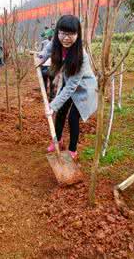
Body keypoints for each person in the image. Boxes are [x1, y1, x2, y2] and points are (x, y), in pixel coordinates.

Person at [40, 15, 97, 159]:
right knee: (61, 113)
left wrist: (53, 105)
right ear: (57, 32)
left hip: (84, 88)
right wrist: (41, 57)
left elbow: (71, 87)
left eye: (71, 34)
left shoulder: (81, 56)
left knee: (73, 117)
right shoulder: (56, 42)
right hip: (69, 82)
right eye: (63, 33)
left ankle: (72, 150)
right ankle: (57, 141)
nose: (66, 38)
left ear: (77, 34)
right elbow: (49, 48)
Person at [38, 29, 55, 100]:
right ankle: (51, 96)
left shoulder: (44, 43)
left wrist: (39, 58)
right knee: (52, 82)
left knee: (44, 82)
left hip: (44, 65)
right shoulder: (54, 45)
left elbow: (40, 53)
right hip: (51, 66)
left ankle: (44, 97)